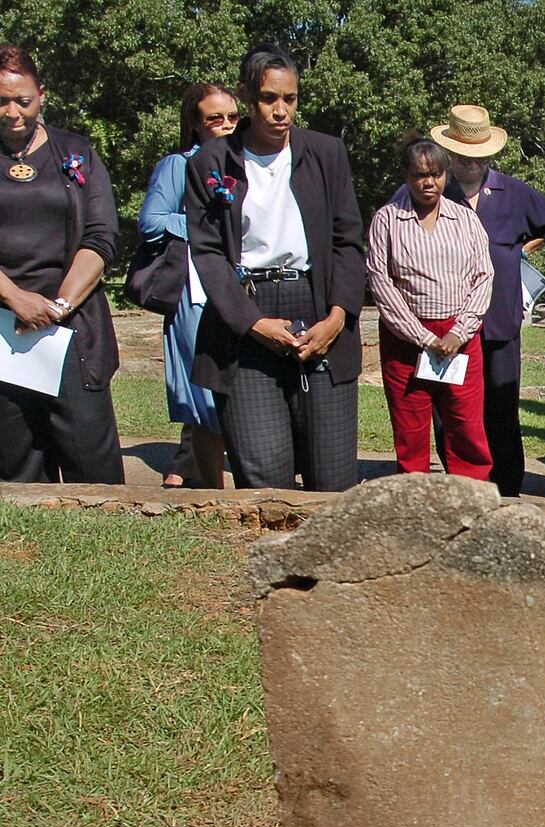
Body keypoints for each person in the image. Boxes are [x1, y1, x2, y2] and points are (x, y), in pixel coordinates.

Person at [185, 44, 364, 492]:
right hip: (247, 316)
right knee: (264, 473)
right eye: (269, 99)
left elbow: (348, 241)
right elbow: (206, 252)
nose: (281, 110)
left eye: (290, 99)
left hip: (319, 304)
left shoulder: (327, 153)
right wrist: (253, 323)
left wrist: (338, 317)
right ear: (248, 96)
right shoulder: (211, 162)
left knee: (333, 477)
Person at [0, 44, 123, 484]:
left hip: (73, 328)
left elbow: (101, 236)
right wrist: (15, 298)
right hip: (3, 332)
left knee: (93, 463)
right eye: (1, 101)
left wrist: (57, 305)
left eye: (23, 100)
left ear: (42, 95)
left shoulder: (78, 152)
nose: (12, 112)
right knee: (16, 467)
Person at [434, 104, 545, 496]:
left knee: (501, 410)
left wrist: (521, 251)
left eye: (479, 156)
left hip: (499, 321)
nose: (470, 164)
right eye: (462, 156)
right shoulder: (432, 189)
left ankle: (507, 488)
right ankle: (462, 484)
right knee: (451, 410)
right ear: (449, 153)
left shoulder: (513, 191)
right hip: (448, 323)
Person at [367, 139, 494, 480]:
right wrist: (422, 337)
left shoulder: (466, 220)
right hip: (406, 340)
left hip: (460, 338)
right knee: (410, 429)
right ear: (406, 177)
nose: (428, 183)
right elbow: (381, 282)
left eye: (436, 174)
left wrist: (458, 332)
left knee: (466, 427)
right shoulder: (387, 220)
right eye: (419, 175)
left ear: (445, 174)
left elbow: (483, 277)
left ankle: (473, 498)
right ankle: (413, 504)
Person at [138, 82, 237, 489]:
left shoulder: (250, 163)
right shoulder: (179, 165)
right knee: (202, 392)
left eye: (233, 116)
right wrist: (203, 229)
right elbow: (150, 221)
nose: (227, 125)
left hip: (245, 291)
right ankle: (206, 484)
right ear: (195, 125)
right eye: (215, 118)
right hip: (195, 292)